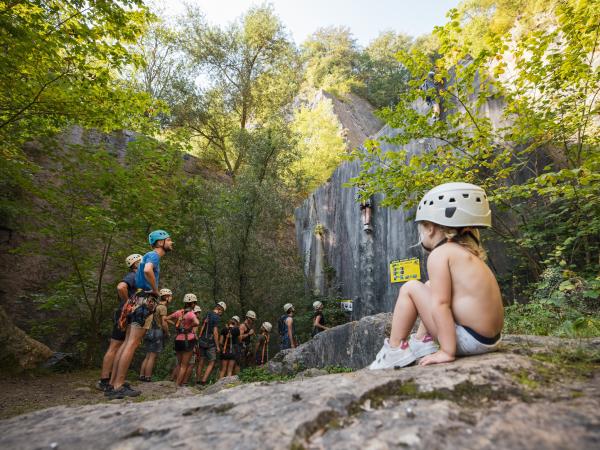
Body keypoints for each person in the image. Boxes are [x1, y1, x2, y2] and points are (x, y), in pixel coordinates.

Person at [369, 183, 504, 370]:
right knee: (431, 285)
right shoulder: (466, 254)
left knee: (410, 288)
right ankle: (421, 341)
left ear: (430, 228)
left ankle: (395, 349)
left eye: (421, 229)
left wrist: (447, 351)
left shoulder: (440, 254)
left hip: (470, 341)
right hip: (490, 340)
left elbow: (441, 305)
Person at [106, 229, 173, 399]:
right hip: (145, 300)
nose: (171, 243)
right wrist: (156, 291)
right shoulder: (154, 256)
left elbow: (139, 278)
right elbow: (148, 271)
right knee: (132, 344)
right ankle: (119, 386)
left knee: (127, 342)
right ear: (160, 243)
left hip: (136, 300)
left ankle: (113, 384)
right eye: (169, 240)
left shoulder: (146, 256)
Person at [96, 253, 141, 391]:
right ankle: (105, 381)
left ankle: (109, 380)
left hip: (123, 313)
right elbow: (121, 287)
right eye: (141, 261)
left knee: (118, 345)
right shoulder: (133, 276)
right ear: (135, 264)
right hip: (125, 314)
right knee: (115, 346)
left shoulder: (136, 277)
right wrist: (129, 303)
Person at [166, 293, 200, 387]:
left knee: (179, 364)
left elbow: (166, 318)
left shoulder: (179, 312)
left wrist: (175, 324)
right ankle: (177, 386)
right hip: (187, 340)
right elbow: (197, 323)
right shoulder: (190, 314)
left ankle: (176, 383)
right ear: (193, 303)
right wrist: (189, 327)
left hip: (178, 340)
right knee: (184, 365)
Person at [139, 288, 172, 382]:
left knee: (148, 355)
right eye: (170, 296)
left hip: (149, 331)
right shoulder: (163, 307)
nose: (171, 298)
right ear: (166, 297)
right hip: (157, 332)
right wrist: (167, 332)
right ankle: (148, 377)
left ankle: (142, 375)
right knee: (152, 356)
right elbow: (164, 323)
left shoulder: (154, 305)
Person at [196, 301, 227, 386]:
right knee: (212, 362)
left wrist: (199, 337)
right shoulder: (216, 317)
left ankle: (197, 381)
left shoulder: (208, 313)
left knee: (201, 361)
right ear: (220, 308)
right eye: (222, 311)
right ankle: (203, 381)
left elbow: (203, 325)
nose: (222, 313)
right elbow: (215, 332)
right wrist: (217, 346)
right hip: (210, 343)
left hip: (202, 340)